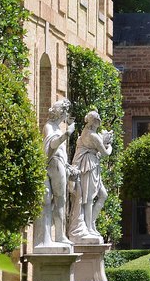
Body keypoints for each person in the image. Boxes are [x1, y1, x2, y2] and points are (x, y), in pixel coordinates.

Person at [33, 98, 76, 249]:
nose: (66, 117)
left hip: (59, 165)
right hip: (54, 164)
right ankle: (58, 235)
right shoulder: (49, 126)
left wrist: (69, 167)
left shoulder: (55, 127)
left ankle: (59, 235)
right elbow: (52, 144)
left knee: (59, 200)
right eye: (65, 113)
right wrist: (67, 134)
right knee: (59, 200)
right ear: (61, 114)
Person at [69, 110, 113, 243]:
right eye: (97, 120)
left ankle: (91, 224)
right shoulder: (92, 135)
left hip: (92, 164)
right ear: (95, 122)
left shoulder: (89, 132)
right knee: (88, 198)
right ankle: (88, 227)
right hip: (87, 165)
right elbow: (105, 153)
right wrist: (109, 145)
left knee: (102, 195)